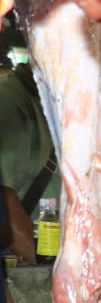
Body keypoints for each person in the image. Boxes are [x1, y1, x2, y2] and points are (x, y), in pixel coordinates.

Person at [0, 43, 59, 248]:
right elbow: (3, 199)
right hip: (29, 270)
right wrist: (52, 268)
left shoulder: (59, 104)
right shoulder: (10, 101)